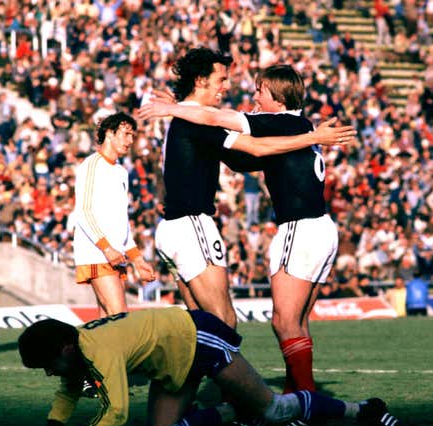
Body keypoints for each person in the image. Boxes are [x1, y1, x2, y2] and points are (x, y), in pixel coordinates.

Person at [139, 65, 346, 395]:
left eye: (260, 91)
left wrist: (175, 108)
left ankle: (305, 401)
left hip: (301, 229)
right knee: (296, 322)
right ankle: (299, 397)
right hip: (321, 229)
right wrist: (183, 105)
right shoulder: (293, 127)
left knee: (283, 322)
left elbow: (219, 120)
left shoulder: (283, 123)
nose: (253, 96)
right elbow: (240, 157)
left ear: (277, 97)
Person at [18, 307, 408, 426]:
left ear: (64, 349)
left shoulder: (97, 351)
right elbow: (69, 391)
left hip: (198, 338)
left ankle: (364, 409)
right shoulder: (77, 348)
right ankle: (234, 413)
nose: (51, 373)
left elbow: (116, 413)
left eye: (48, 365)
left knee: (273, 409)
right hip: (173, 360)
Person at [73, 112, 155, 318]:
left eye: (133, 136)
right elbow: (83, 211)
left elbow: (121, 222)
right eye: (126, 134)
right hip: (97, 253)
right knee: (119, 318)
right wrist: (106, 248)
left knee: (108, 323)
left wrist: (137, 259)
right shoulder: (92, 165)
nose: (131, 141)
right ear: (110, 133)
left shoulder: (121, 171)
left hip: (115, 255)